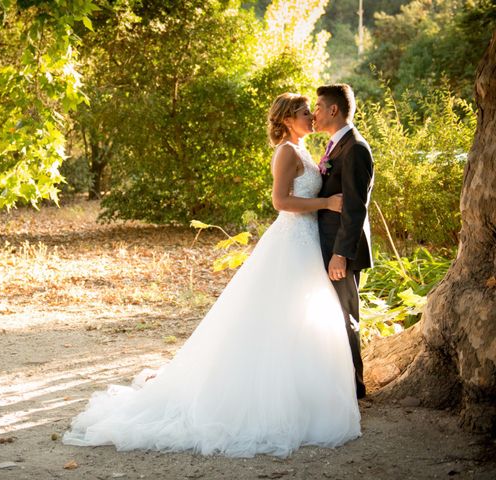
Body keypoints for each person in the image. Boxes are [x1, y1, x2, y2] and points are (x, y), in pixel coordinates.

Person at [62, 93, 361, 458]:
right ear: (286, 119)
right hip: (291, 241)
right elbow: (280, 202)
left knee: (300, 319)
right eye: (303, 112)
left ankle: (307, 394)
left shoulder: (303, 152)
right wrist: (326, 203)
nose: (310, 117)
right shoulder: (286, 152)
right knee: (277, 317)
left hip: (307, 244)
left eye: (310, 111)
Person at [313, 84, 374, 399]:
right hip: (327, 245)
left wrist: (340, 255)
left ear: (333, 110)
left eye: (319, 106)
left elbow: (354, 209)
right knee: (330, 313)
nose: (315, 112)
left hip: (342, 251)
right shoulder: (336, 146)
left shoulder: (356, 149)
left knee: (346, 314)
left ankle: (355, 386)